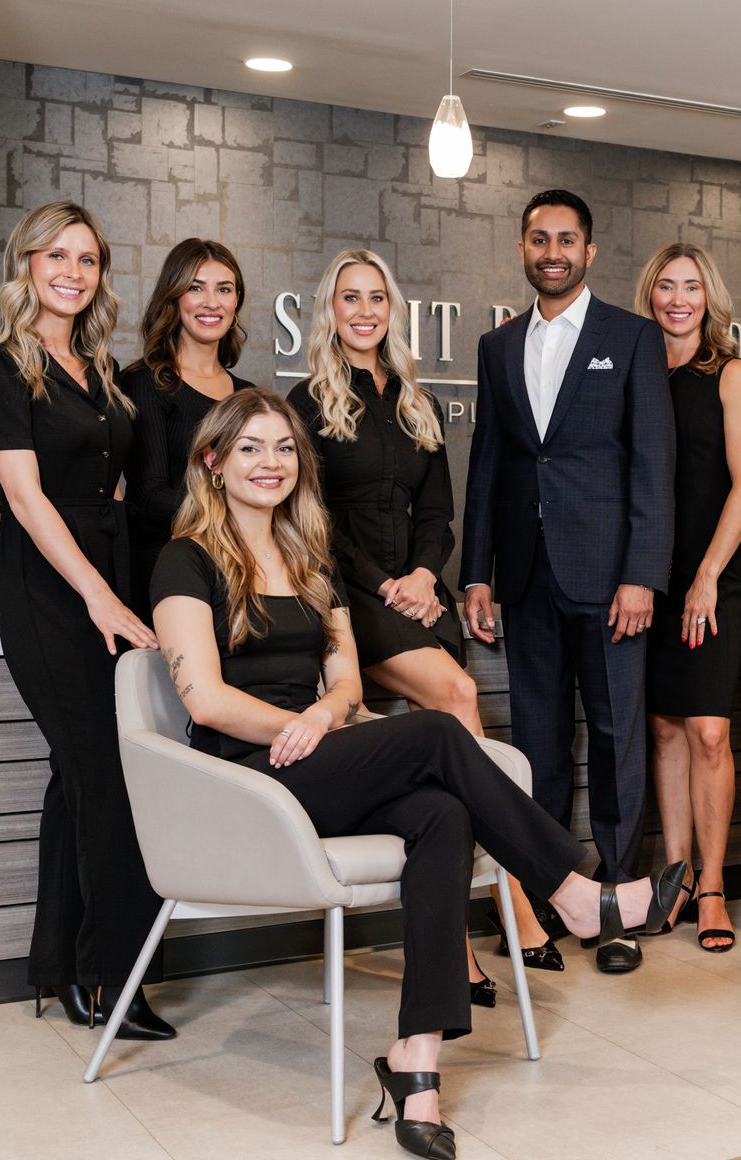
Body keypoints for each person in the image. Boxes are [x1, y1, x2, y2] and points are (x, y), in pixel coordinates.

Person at [150, 388, 690, 1160]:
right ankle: (573, 892)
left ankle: (417, 1064)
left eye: (282, 448)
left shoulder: (309, 555)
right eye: (249, 449)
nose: (271, 464)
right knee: (437, 731)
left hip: (317, 756)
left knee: (443, 815)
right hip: (245, 776)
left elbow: (346, 683)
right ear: (213, 461)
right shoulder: (186, 559)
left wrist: (323, 716)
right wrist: (296, 724)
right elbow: (203, 696)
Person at [285, 247, 562, 999]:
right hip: (346, 600)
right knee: (458, 702)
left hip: (419, 596)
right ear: (330, 311)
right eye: (351, 298)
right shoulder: (307, 403)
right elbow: (312, 522)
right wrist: (383, 583)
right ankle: (519, 904)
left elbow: (439, 511)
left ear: (392, 309)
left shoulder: (416, 400)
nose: (366, 311)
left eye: (378, 297)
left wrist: (420, 577)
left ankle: (455, 949)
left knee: (438, 783)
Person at [0, 200, 174, 1040]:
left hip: (110, 570)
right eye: (57, 256)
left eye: (87, 259)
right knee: (106, 778)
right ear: (26, 265)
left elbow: (116, 486)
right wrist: (96, 594)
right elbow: (23, 497)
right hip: (50, 588)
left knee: (78, 778)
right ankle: (108, 980)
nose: (72, 273)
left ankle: (55, 965)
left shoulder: (101, 369)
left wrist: (126, 585)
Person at [461, 189, 676, 974]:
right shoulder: (498, 345)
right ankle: (548, 903)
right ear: (522, 250)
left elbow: (654, 464)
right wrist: (476, 575)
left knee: (617, 740)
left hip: (612, 577)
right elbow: (489, 464)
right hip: (525, 575)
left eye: (567, 240)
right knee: (540, 744)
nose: (552, 251)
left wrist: (643, 576)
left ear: (589, 252)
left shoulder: (633, 338)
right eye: (538, 239)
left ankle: (618, 904)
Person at [635, 243, 741, 953]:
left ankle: (712, 886)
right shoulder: (641, 369)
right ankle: (676, 876)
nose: (677, 298)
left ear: (708, 296)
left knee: (709, 730)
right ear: (650, 293)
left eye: (690, 287)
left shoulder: (732, 373)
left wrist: (709, 573)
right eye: (665, 286)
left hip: (715, 578)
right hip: (652, 576)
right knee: (664, 730)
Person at [121, 238, 253, 619]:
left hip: (239, 570)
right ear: (174, 297)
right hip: (172, 574)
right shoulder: (146, 383)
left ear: (236, 302)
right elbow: (149, 499)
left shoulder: (247, 396)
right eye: (196, 287)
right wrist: (241, 513)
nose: (211, 302)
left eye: (224, 289)